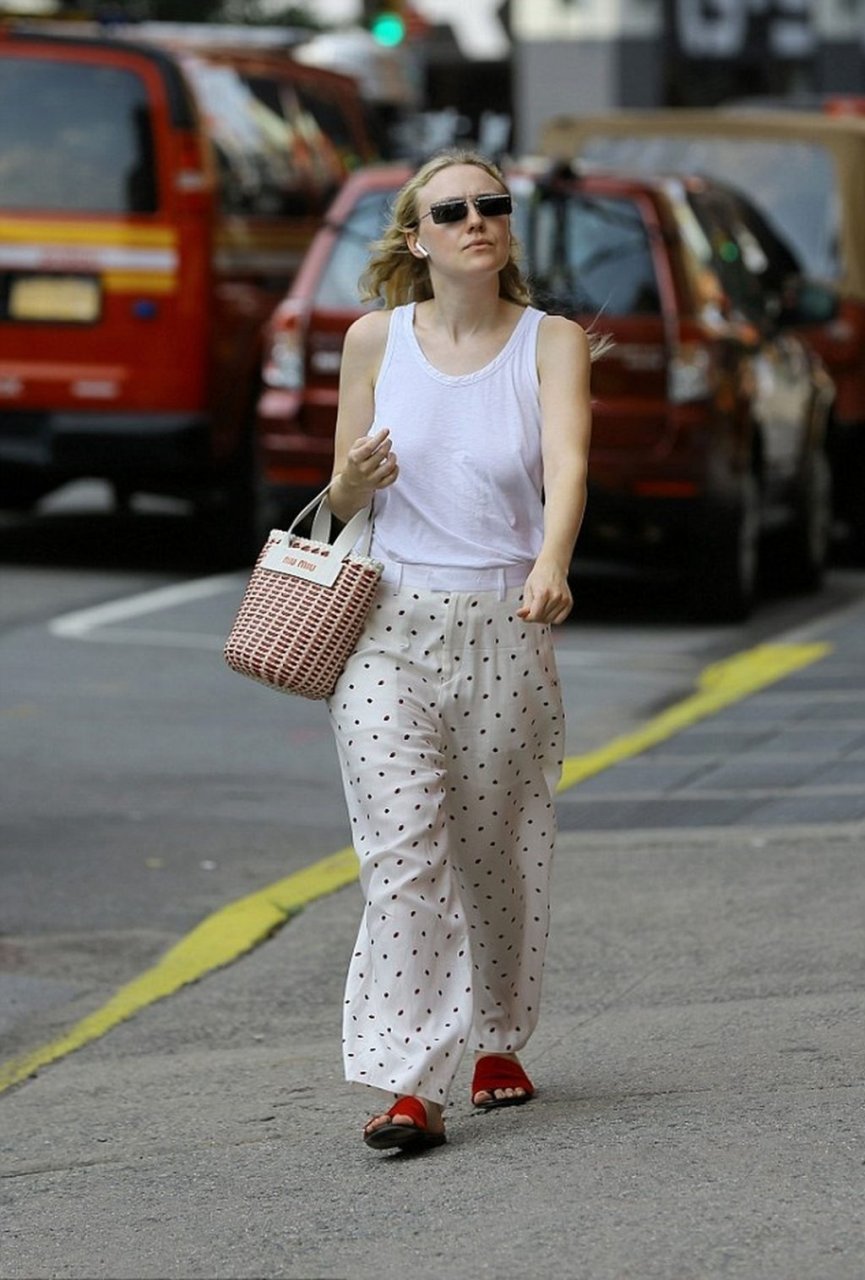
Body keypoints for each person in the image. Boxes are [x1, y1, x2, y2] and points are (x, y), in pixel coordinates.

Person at [325, 148, 598, 1153]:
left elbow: (568, 463)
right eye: (452, 210)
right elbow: (338, 496)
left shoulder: (549, 342)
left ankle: (497, 1035)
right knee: (404, 854)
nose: (476, 220)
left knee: (496, 851)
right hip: (386, 627)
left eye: (491, 204)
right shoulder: (372, 341)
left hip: (504, 621)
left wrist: (551, 561)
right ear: (416, 237)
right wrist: (354, 481)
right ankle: (409, 1084)